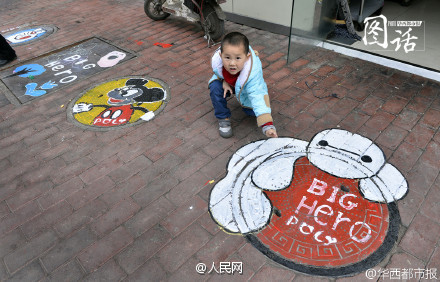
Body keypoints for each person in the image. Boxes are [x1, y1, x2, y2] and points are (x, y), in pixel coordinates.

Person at [208, 32, 277, 138]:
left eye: (238, 58)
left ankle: (255, 111)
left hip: (245, 89)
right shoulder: (219, 63)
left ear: (247, 57)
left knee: (252, 112)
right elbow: (218, 73)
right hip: (229, 85)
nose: (232, 63)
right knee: (215, 87)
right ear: (221, 56)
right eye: (227, 57)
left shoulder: (252, 74)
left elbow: (257, 95)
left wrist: (267, 125)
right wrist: (223, 81)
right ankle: (223, 118)